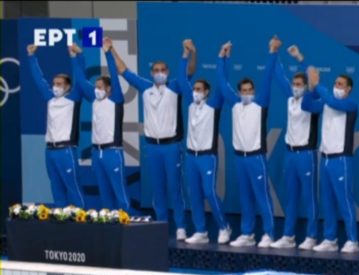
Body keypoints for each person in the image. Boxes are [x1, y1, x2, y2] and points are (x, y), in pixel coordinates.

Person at [111, 40, 196, 240]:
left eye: (163, 70)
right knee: (157, 190)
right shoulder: (145, 87)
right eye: (156, 70)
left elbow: (190, 70)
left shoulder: (175, 86)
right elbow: (123, 70)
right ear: (151, 73)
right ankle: (161, 226)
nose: (159, 73)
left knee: (175, 188)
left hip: (172, 146)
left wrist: (191, 52)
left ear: (168, 72)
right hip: (152, 147)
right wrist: (111, 48)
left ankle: (181, 227)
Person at [217, 38, 277, 248]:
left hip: (256, 157)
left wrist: (272, 52)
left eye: (250, 90)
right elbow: (222, 83)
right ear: (239, 92)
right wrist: (222, 57)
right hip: (239, 158)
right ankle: (247, 233)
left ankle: (269, 233)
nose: (247, 93)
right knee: (245, 197)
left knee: (262, 196)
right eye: (243, 90)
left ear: (254, 91)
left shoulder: (261, 104)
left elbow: (268, 77)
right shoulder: (234, 104)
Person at [175, 40, 231, 245]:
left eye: (199, 89)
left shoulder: (214, 105)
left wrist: (222, 57)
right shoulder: (190, 104)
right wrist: (185, 54)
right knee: (195, 194)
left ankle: (224, 226)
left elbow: (223, 82)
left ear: (207, 92)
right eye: (194, 89)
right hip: (191, 156)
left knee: (209, 192)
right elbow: (181, 78)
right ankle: (201, 231)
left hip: (208, 157)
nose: (195, 91)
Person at [301, 65, 359, 253]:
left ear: (348, 89)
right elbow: (306, 105)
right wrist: (311, 88)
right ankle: (330, 238)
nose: (336, 86)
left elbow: (333, 102)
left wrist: (318, 85)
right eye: (335, 83)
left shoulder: (350, 105)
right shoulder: (326, 103)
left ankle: (353, 240)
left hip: (341, 159)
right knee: (327, 201)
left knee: (345, 200)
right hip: (325, 158)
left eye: (340, 84)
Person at [70, 38, 129, 211]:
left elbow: (113, 74)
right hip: (97, 153)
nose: (96, 89)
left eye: (100, 87)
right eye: (95, 86)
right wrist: (75, 57)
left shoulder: (116, 99)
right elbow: (81, 80)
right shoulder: (95, 100)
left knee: (120, 192)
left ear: (109, 89)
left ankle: (126, 222)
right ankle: (108, 222)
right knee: (104, 193)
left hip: (113, 152)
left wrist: (107, 52)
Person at [269, 45, 319, 250]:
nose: (295, 87)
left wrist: (300, 57)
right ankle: (288, 236)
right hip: (289, 154)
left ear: (306, 87)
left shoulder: (311, 100)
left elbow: (311, 76)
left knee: (309, 197)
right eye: (294, 84)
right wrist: (274, 52)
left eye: (299, 84)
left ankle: (312, 236)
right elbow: (279, 75)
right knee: (290, 197)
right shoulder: (290, 99)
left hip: (306, 154)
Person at [26, 43, 85, 208]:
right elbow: (39, 79)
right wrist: (31, 57)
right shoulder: (50, 99)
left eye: (59, 84)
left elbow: (80, 76)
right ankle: (60, 218)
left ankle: (81, 219)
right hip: (49, 151)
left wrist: (78, 56)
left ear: (68, 87)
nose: (55, 87)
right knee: (56, 188)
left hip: (66, 150)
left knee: (73, 187)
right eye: (54, 83)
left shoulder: (73, 98)